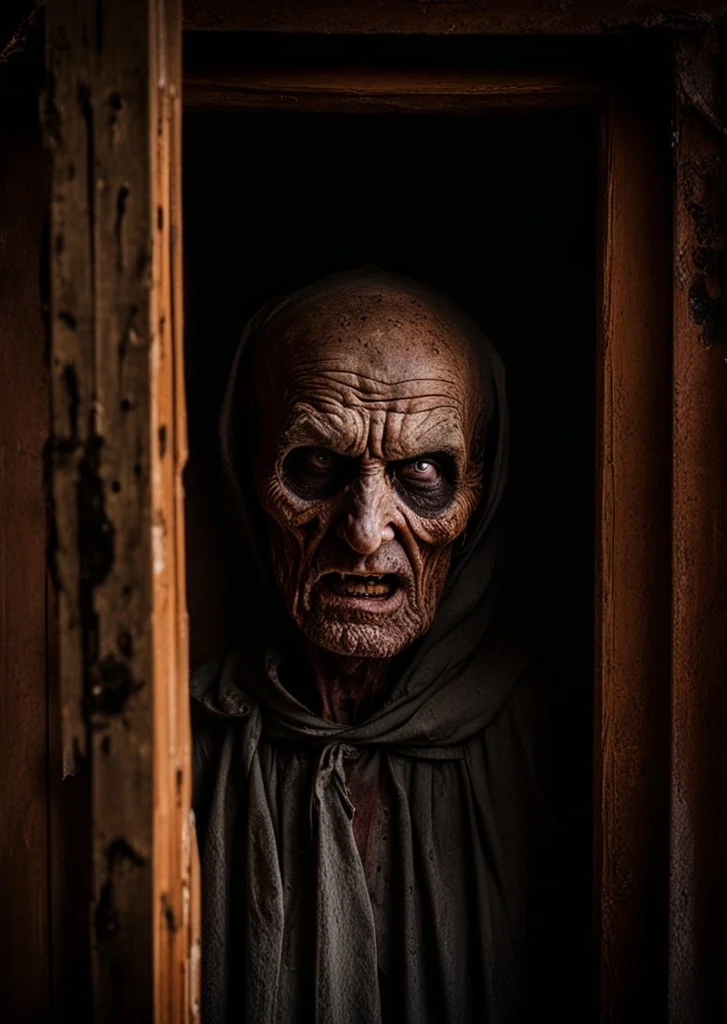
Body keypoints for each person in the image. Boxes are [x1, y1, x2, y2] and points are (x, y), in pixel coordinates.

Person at [192, 269, 567, 1023]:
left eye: (422, 473)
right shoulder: (177, 742)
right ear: (246, 472)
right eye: (316, 466)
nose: (365, 531)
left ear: (480, 494)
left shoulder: (560, 738)